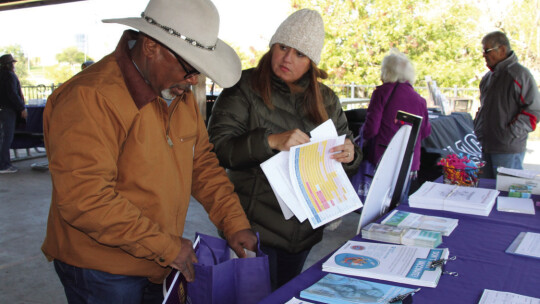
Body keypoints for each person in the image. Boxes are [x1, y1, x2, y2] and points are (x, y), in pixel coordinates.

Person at [41, 0, 257, 302]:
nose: (193, 80)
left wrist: (234, 222)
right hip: (102, 269)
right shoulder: (90, 97)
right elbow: (86, 198)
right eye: (189, 67)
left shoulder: (177, 94)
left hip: (157, 258)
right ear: (152, 46)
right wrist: (167, 246)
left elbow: (202, 166)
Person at [207, 9, 361, 290]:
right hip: (254, 230)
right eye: (283, 47)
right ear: (272, 46)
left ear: (312, 62)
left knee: (287, 294)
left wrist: (350, 154)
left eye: (300, 54)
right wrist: (270, 141)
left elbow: (348, 147)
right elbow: (217, 148)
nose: (287, 58)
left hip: (306, 231)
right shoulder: (243, 87)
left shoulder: (326, 98)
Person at [362, 49, 431, 193]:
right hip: (410, 161)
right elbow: (425, 132)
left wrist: (362, 137)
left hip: (385, 158)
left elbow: (372, 129)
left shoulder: (381, 92)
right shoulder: (420, 99)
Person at [474, 31, 540, 178]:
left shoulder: (519, 75)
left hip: (508, 150)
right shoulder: (488, 78)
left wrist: (510, 134)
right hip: (486, 146)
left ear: (502, 50)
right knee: (485, 193)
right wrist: (478, 129)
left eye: (487, 51)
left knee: (507, 194)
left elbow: (534, 110)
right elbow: (484, 109)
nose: (483, 55)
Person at [0, 53, 27, 174]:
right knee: (6, 138)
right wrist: (21, 108)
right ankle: (4, 165)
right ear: (9, 65)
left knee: (2, 138)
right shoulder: (9, 76)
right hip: (7, 110)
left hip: (2, 109)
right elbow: (12, 94)